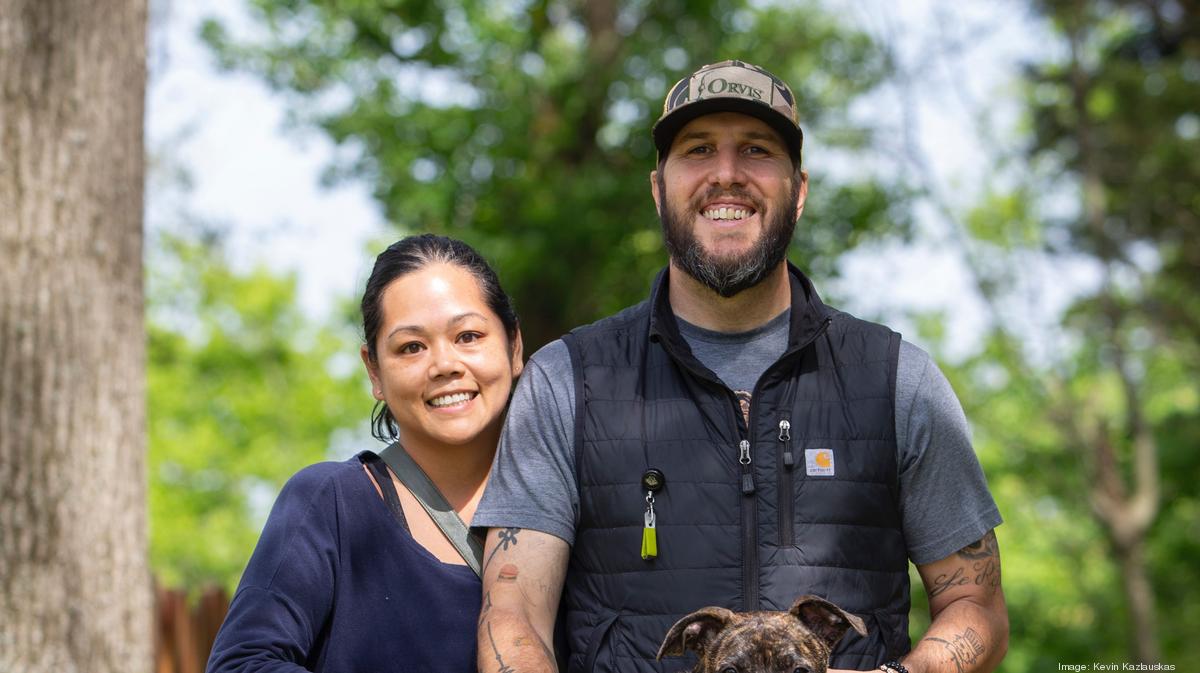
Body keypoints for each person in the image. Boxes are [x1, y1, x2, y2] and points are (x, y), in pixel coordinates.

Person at [473, 60, 1008, 673]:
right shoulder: (566, 381)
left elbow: (977, 604)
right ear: (658, 190)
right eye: (699, 150)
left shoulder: (897, 381)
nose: (726, 175)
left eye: (755, 150)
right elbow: (512, 617)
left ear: (799, 191)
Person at [206, 234, 523, 672]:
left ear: (514, 347)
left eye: (468, 336)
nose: (445, 364)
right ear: (374, 370)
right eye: (411, 346)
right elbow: (242, 664)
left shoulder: (580, 500)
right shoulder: (332, 503)